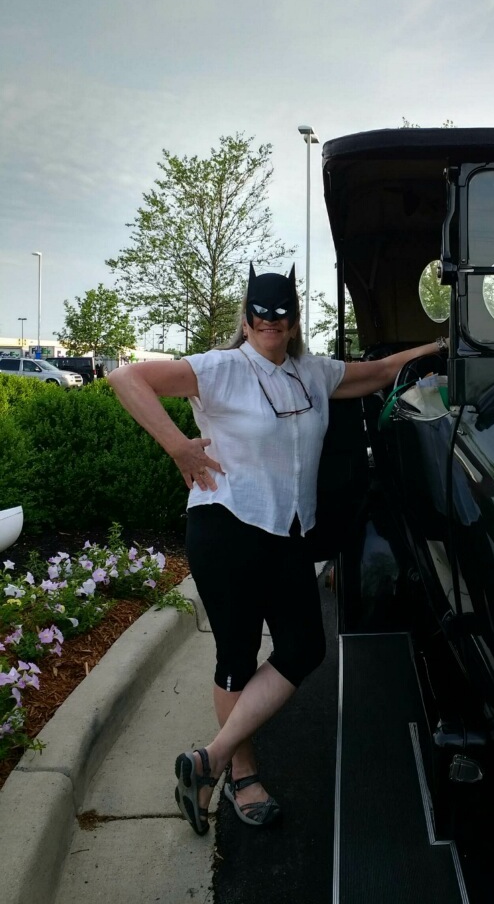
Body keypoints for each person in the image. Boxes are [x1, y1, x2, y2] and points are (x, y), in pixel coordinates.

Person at [108, 265, 446, 835]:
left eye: (282, 315)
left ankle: (208, 760)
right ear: (246, 320)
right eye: (261, 315)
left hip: (287, 533)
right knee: (236, 658)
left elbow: (381, 371)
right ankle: (242, 778)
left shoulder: (312, 373)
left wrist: (440, 346)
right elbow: (126, 377)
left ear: (293, 322)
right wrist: (179, 448)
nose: (271, 323)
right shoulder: (220, 369)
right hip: (227, 527)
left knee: (305, 646)